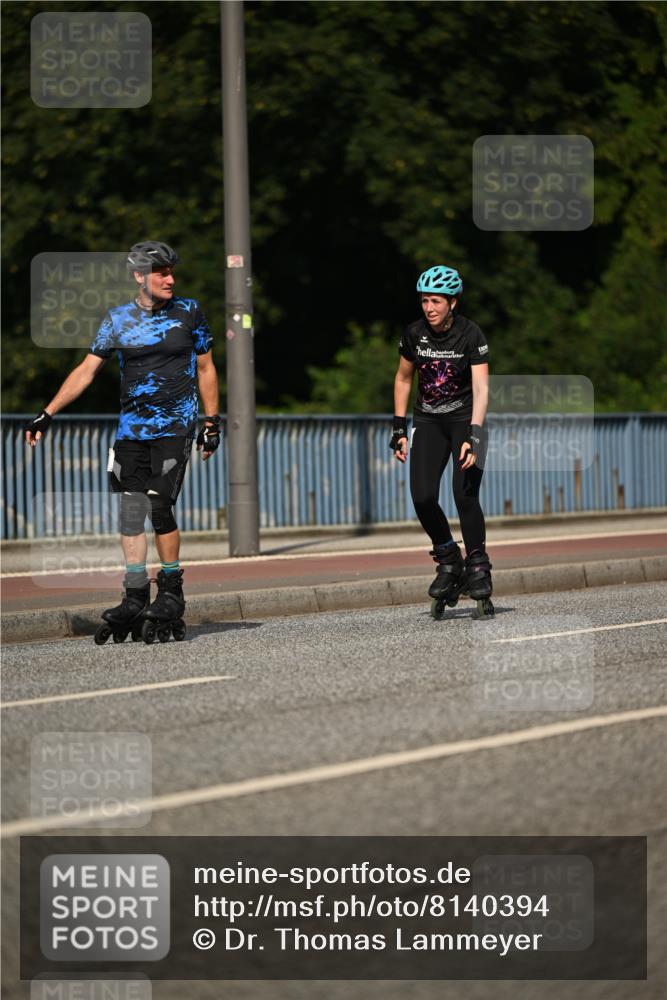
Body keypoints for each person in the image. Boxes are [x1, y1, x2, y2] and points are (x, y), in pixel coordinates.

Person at [25, 241, 221, 640]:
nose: (171, 278)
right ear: (139, 276)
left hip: (175, 428)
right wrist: (48, 413)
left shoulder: (190, 312)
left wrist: (212, 422)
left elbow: (206, 368)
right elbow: (86, 370)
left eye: (172, 271)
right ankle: (135, 594)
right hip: (130, 432)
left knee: (159, 505)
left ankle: (170, 593)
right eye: (161, 272)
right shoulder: (117, 319)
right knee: (130, 513)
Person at [390, 264, 493, 613]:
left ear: (452, 302)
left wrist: (475, 435)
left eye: (436, 301)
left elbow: (481, 387)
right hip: (429, 422)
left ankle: (477, 564)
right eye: (424, 301)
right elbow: (404, 379)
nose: (429, 308)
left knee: (464, 494)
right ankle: (448, 558)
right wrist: (398, 428)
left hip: (466, 420)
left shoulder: (471, 334)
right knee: (422, 496)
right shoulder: (414, 333)